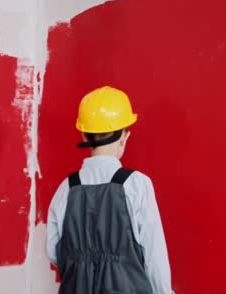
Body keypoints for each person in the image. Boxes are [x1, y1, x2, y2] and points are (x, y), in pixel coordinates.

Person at [46, 86, 174, 294]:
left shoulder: (66, 189)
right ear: (124, 137)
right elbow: (154, 257)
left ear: (85, 136)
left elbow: (54, 251)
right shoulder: (137, 185)